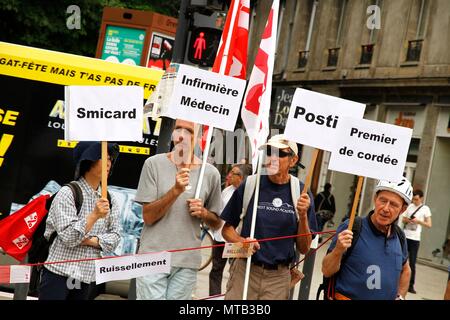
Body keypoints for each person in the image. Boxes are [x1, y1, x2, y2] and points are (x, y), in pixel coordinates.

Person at [220, 134, 317, 300]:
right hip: (245, 270)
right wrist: (241, 241)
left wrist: (303, 216)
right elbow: (226, 230)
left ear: (293, 161)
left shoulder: (301, 192)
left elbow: (304, 248)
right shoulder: (250, 184)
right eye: (269, 152)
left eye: (280, 154)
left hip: (278, 279)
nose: (272, 158)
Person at [134, 119, 222, 300]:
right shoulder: (153, 164)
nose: (181, 135)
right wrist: (175, 191)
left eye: (188, 130)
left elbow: (217, 222)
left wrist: (204, 213)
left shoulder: (211, 173)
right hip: (152, 257)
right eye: (178, 129)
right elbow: (148, 217)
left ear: (199, 137)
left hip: (187, 261)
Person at [39, 142, 121, 300]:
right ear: (88, 162)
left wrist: (89, 241)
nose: (109, 162)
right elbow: (69, 237)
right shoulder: (68, 193)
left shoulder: (110, 199)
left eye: (110, 158)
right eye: (103, 158)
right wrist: (94, 215)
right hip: (59, 271)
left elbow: (115, 238)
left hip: (86, 276)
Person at [322, 178, 413, 300]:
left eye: (393, 204)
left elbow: (406, 270)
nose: (386, 208)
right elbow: (326, 270)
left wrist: (400, 296)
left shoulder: (399, 236)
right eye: (383, 200)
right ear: (375, 199)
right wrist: (338, 249)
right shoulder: (352, 227)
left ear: (403, 209)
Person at [209, 164, 249, 296]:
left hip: (236, 238)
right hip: (220, 237)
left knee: (236, 272)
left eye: (233, 173)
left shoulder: (247, 193)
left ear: (241, 177)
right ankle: (214, 298)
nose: (229, 175)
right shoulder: (227, 190)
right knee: (216, 270)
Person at [400, 189, 432, 294]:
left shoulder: (425, 209)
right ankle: (398, 281)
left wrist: (418, 221)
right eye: (413, 199)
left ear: (421, 198)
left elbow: (429, 224)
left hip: (415, 238)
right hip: (405, 235)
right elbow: (403, 219)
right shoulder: (410, 206)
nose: (415, 201)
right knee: (401, 260)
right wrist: (409, 220)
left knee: (412, 262)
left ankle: (411, 285)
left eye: (417, 199)